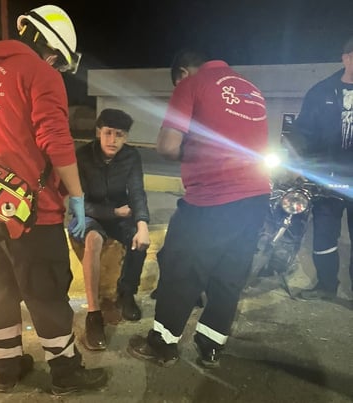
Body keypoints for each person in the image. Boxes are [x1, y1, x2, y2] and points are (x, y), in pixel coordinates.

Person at [0, 5, 107, 395]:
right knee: (46, 288)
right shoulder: (41, 73)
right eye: (58, 60)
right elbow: (55, 140)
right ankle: (66, 372)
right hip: (29, 210)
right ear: (52, 51)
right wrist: (76, 195)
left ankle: (5, 367)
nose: (57, 65)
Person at [127, 49, 270, 368]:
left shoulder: (192, 84)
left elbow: (167, 145)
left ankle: (162, 344)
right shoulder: (251, 88)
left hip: (212, 199)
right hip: (256, 197)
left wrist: (188, 155)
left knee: (181, 269)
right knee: (229, 273)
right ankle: (211, 345)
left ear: (181, 72)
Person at [68, 108, 150, 350]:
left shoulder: (131, 157)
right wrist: (113, 213)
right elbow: (77, 200)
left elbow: (136, 192)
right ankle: (94, 315)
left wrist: (142, 224)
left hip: (119, 211)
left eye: (120, 135)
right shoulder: (82, 155)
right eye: (108, 133)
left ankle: (126, 292)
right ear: (98, 132)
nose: (113, 140)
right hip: (87, 215)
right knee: (93, 240)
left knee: (139, 238)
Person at [286, 36, 353, 301]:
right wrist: (295, 165)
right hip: (326, 179)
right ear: (346, 57)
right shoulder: (322, 91)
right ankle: (326, 286)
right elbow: (301, 132)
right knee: (324, 236)